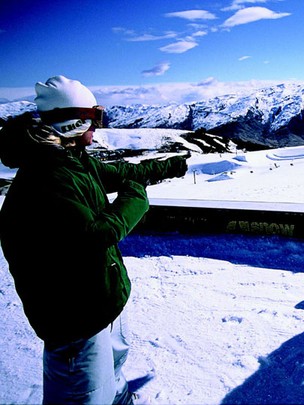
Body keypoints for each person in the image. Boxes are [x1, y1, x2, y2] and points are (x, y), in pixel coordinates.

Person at [0, 75, 189, 404]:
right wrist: (136, 199)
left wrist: (168, 166)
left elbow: (123, 175)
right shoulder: (46, 178)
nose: (97, 127)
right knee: (82, 396)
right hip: (75, 324)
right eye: (94, 118)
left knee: (114, 379)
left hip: (103, 304)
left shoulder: (72, 160)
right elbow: (98, 234)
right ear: (72, 123)